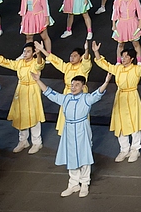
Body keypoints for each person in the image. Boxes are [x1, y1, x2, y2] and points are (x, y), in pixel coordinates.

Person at [41, 68, 109, 198]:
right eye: (72, 85)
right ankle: (73, 184)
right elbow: (49, 93)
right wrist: (38, 80)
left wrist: (105, 82)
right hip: (69, 130)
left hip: (82, 128)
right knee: (71, 156)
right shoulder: (65, 98)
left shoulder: (86, 99)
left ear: (83, 86)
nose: (74, 87)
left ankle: (84, 183)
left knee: (84, 156)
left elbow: (98, 94)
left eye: (77, 85)